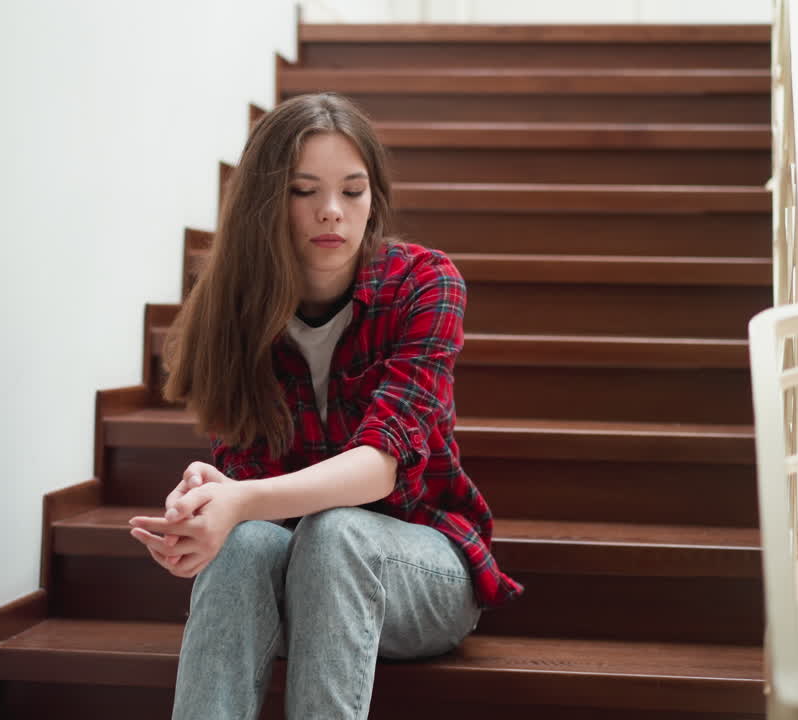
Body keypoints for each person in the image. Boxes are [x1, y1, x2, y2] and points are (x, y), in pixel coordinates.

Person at [127, 92, 523, 719]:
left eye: (353, 191)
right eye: (303, 190)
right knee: (243, 543)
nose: (332, 212)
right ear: (265, 201)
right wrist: (208, 506)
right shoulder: (235, 309)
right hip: (294, 581)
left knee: (336, 533)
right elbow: (250, 489)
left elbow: (380, 466)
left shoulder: (425, 283)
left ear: (374, 199)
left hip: (419, 571)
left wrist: (241, 500)